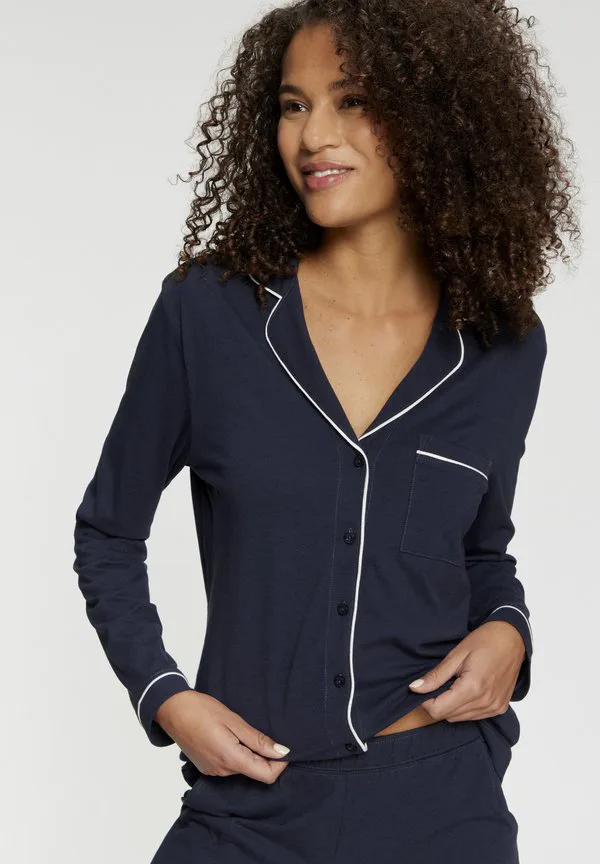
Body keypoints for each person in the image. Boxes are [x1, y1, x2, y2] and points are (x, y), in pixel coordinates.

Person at [73, 1, 580, 862]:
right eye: (293, 105)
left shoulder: (502, 344)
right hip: (252, 809)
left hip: (442, 797)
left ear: (437, 114)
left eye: (353, 100)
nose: (314, 136)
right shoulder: (209, 314)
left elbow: (481, 552)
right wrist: (165, 696)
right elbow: (108, 532)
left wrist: (510, 631)